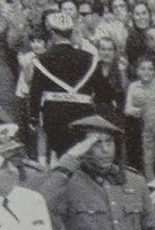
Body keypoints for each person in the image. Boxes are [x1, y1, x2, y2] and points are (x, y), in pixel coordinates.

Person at [29, 12, 115, 159]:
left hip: (54, 116)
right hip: (83, 115)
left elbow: (35, 93)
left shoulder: (42, 60)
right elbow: (104, 94)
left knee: (58, 156)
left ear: (52, 33)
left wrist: (34, 118)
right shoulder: (90, 58)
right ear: (71, 33)